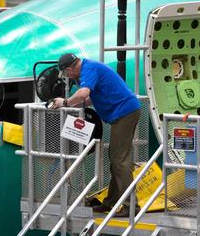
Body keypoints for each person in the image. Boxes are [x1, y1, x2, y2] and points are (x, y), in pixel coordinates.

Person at [51, 53, 141, 214]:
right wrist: (75, 103)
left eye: (66, 73)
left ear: (70, 69)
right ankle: (112, 202)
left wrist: (64, 102)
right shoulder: (90, 67)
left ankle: (131, 205)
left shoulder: (88, 69)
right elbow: (91, 97)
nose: (67, 76)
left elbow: (83, 93)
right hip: (123, 112)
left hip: (125, 113)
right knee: (116, 159)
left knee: (119, 159)